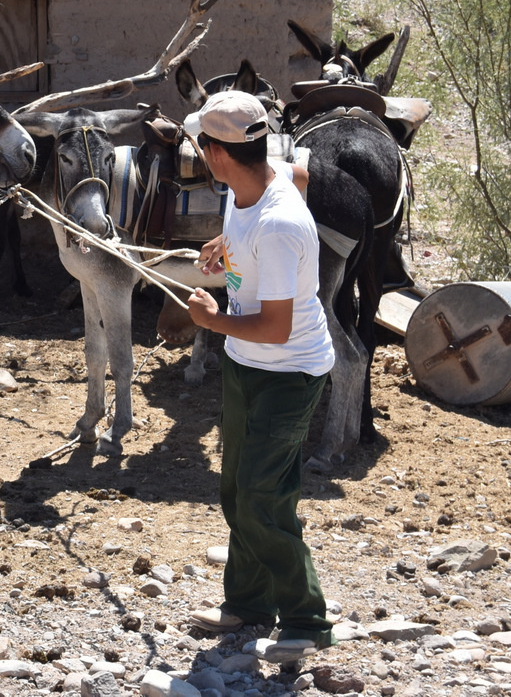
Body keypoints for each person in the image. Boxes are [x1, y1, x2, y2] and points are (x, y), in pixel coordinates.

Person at [182, 89, 337, 665]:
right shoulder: (254, 185)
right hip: (248, 367)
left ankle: (306, 620)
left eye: (202, 146)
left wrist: (210, 319)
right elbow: (298, 175)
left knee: (262, 497)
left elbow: (274, 328)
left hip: (289, 373)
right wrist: (228, 246)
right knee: (238, 489)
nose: (200, 155)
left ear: (218, 156)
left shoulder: (277, 226)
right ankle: (248, 606)